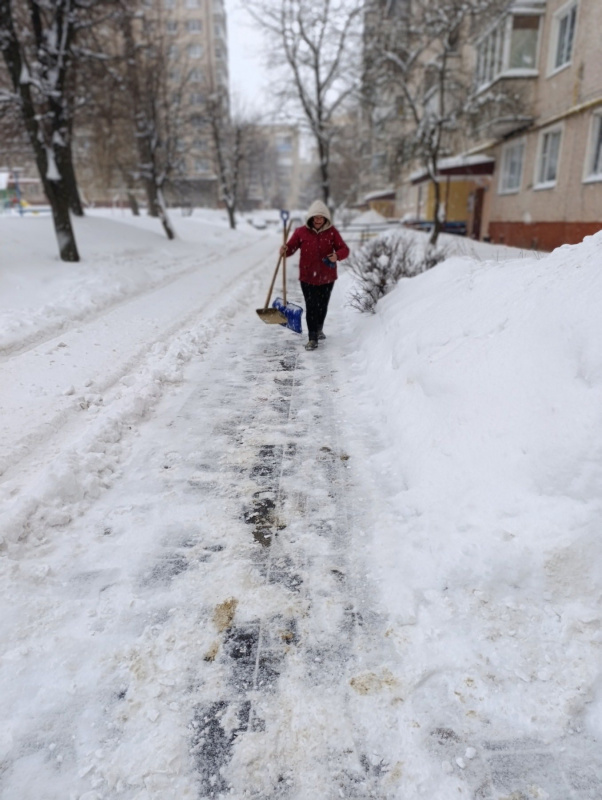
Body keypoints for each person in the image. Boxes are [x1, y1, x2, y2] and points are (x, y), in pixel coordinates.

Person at [280, 200, 350, 351]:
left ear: (326, 218)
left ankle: (319, 328)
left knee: (322, 306)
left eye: (321, 217)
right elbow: (291, 248)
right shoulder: (300, 232)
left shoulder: (332, 232)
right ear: (310, 218)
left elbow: (344, 249)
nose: (318, 220)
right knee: (311, 307)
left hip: (327, 276)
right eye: (315, 217)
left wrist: (337, 255)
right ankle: (312, 338)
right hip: (308, 277)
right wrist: (285, 250)